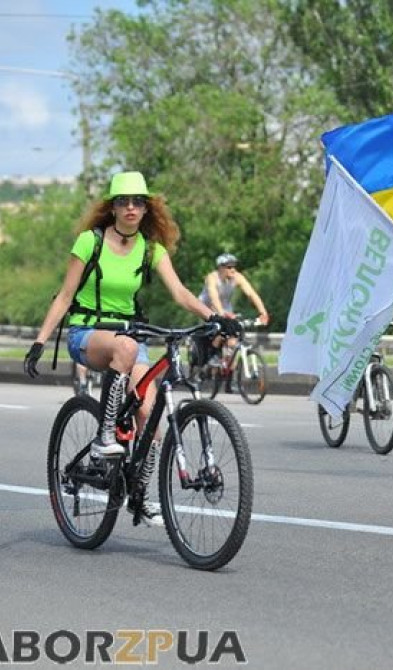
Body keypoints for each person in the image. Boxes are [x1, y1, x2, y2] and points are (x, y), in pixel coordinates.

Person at [23, 171, 240, 527]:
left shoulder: (150, 249)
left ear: (146, 208)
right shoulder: (89, 243)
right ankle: (105, 436)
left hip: (129, 336)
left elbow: (182, 293)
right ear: (112, 208)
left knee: (150, 412)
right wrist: (39, 343)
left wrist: (216, 316)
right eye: (123, 201)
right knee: (124, 347)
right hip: (87, 333)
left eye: (138, 201)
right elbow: (64, 296)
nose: (130, 207)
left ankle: (140, 495)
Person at [198, 253, 269, 366]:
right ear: (221, 268)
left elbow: (251, 294)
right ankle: (212, 356)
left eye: (234, 266)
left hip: (225, 307)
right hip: (207, 307)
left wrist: (263, 312)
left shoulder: (238, 277)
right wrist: (221, 313)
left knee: (232, 339)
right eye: (229, 267)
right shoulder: (212, 278)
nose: (233, 269)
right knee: (217, 330)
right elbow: (214, 297)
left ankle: (229, 372)